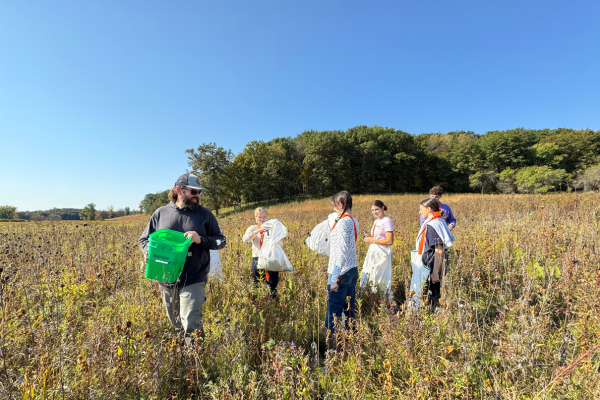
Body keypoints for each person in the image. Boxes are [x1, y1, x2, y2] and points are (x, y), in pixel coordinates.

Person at [139, 173, 226, 342]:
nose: (197, 196)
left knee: (191, 322)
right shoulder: (160, 213)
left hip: (194, 277)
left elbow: (221, 241)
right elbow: (145, 239)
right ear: (179, 190)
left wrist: (200, 239)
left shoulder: (205, 215)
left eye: (200, 193)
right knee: (176, 323)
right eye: (193, 192)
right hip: (166, 278)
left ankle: (196, 358)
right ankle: (182, 359)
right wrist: (147, 251)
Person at [326, 190, 359, 352]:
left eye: (334, 206)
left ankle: (333, 347)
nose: (333, 209)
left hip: (341, 272)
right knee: (349, 309)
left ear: (341, 205)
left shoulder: (341, 224)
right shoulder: (354, 221)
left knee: (334, 311)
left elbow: (341, 252)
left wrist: (334, 278)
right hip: (353, 270)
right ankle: (351, 342)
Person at [416, 198, 455, 308]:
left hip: (432, 264)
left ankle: (433, 313)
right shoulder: (438, 220)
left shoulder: (432, 225)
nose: (420, 212)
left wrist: (435, 272)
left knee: (432, 294)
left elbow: (439, 249)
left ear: (428, 209)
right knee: (433, 292)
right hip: (433, 263)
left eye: (421, 209)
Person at [242, 207, 281, 297]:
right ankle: (258, 301)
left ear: (267, 217)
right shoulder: (253, 228)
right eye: (259, 217)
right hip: (257, 258)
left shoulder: (272, 228)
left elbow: (280, 244)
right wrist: (258, 231)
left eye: (264, 217)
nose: (262, 219)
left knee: (273, 282)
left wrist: (273, 236)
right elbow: (245, 239)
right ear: (256, 217)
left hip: (271, 258)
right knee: (257, 282)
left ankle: (273, 301)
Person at [361, 200, 394, 300]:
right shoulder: (376, 221)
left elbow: (389, 241)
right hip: (375, 252)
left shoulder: (386, 221)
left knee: (380, 276)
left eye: (377, 209)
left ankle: (383, 298)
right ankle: (372, 297)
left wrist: (372, 240)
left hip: (383, 254)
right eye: (372, 210)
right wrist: (370, 238)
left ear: (382, 208)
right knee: (372, 274)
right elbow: (378, 238)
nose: (374, 212)